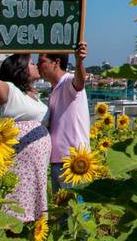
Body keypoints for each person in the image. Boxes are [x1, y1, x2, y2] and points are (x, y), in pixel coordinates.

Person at [0, 44, 50, 223]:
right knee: (10, 208)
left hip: (35, 168)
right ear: (20, 69)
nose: (35, 66)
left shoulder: (34, 95)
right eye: (31, 63)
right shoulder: (9, 91)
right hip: (16, 163)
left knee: (30, 213)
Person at [38, 43, 89, 193]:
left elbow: (79, 82)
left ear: (56, 63)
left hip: (74, 161)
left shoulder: (68, 81)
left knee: (76, 212)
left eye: (42, 61)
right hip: (58, 160)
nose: (38, 66)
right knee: (62, 212)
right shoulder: (54, 89)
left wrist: (79, 61)